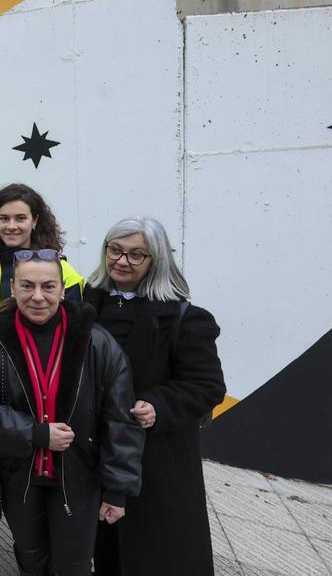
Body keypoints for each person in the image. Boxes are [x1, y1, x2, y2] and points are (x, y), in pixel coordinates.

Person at [0, 249, 144, 576]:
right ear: (13, 289)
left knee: (72, 564)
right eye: (27, 286)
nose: (37, 296)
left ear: (62, 289)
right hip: (20, 475)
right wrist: (35, 433)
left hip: (79, 477)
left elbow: (121, 418)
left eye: (48, 287)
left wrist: (117, 488)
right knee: (31, 558)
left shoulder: (95, 342)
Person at [0, 183, 86, 562]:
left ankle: (38, 546)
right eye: (3, 218)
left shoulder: (63, 272)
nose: (11, 225)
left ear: (35, 220)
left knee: (32, 474)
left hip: (38, 389)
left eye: (20, 217)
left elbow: (71, 337)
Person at [86, 218, 225, 576]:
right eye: (114, 250)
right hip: (97, 447)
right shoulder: (85, 306)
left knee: (157, 551)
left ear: (156, 260)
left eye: (136, 255)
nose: (121, 261)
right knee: (106, 548)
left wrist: (159, 405)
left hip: (156, 458)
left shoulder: (186, 319)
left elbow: (207, 386)